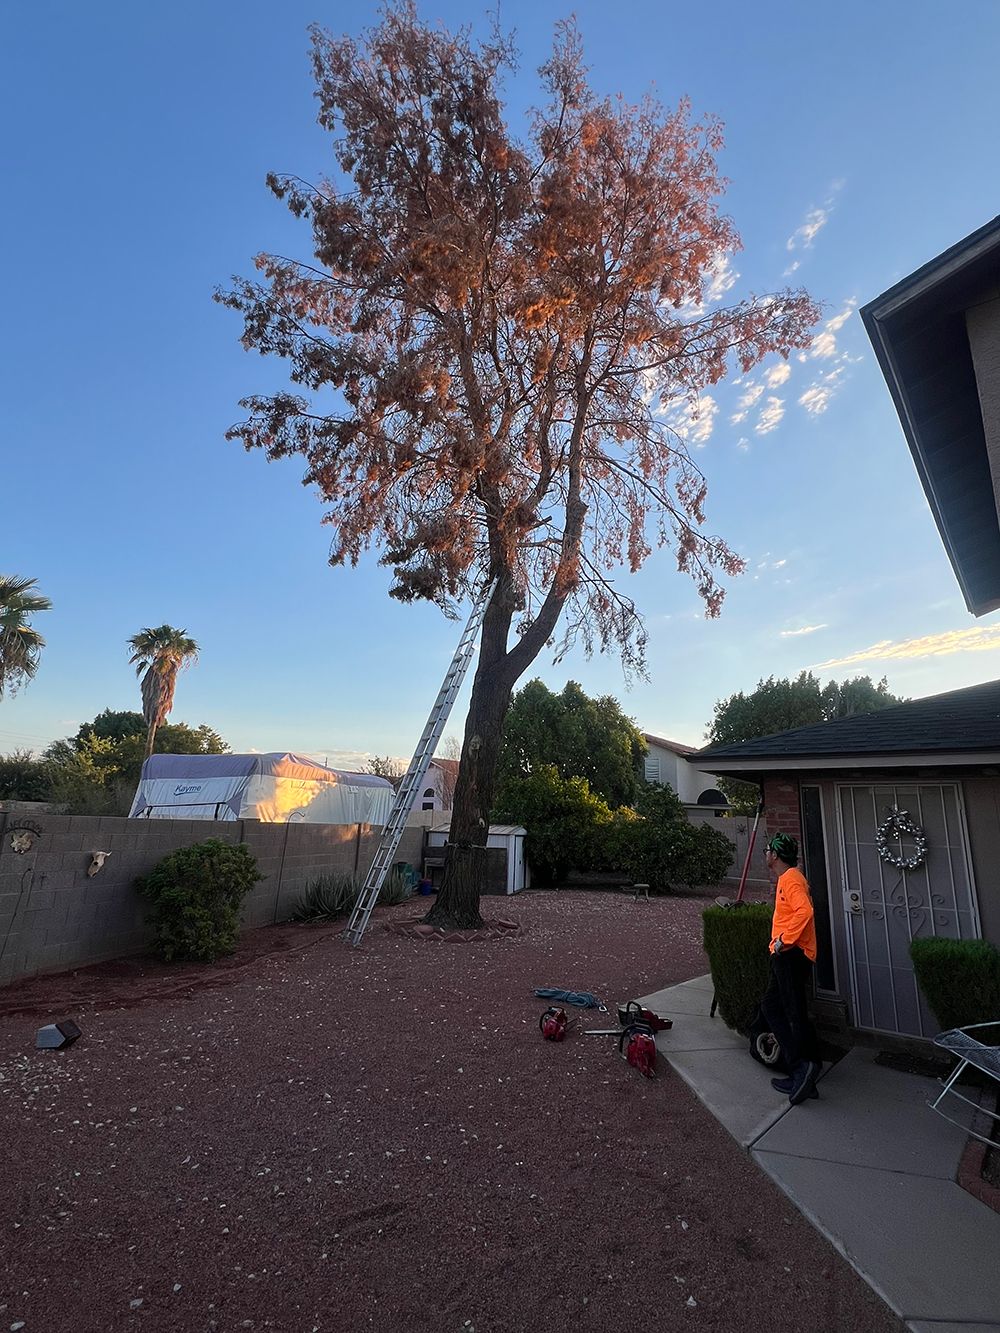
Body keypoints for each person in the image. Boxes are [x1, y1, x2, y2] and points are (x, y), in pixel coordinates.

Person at [761, 832, 821, 1105]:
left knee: (792, 1012)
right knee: (775, 1007)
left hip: (792, 954)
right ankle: (803, 1071)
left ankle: (803, 1068)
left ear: (775, 855)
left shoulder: (792, 879)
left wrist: (784, 941)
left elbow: (805, 911)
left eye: (768, 850)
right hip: (786, 954)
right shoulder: (789, 878)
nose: (766, 854)